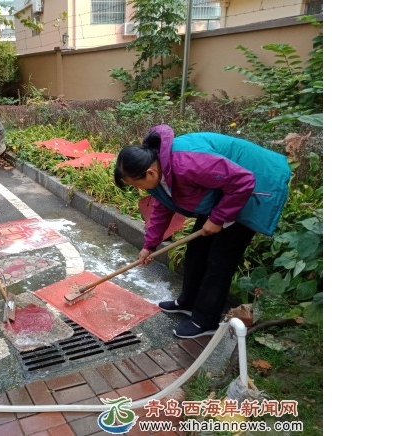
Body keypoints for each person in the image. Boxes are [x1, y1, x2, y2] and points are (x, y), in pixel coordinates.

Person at [114, 125, 292, 338]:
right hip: (224, 192)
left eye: (136, 184)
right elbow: (163, 206)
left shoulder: (189, 163)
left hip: (253, 187)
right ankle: (189, 301)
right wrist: (149, 245)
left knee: (220, 259)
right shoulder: (158, 171)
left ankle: (206, 320)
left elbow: (243, 180)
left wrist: (217, 218)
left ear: (150, 172)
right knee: (197, 248)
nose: (138, 189)